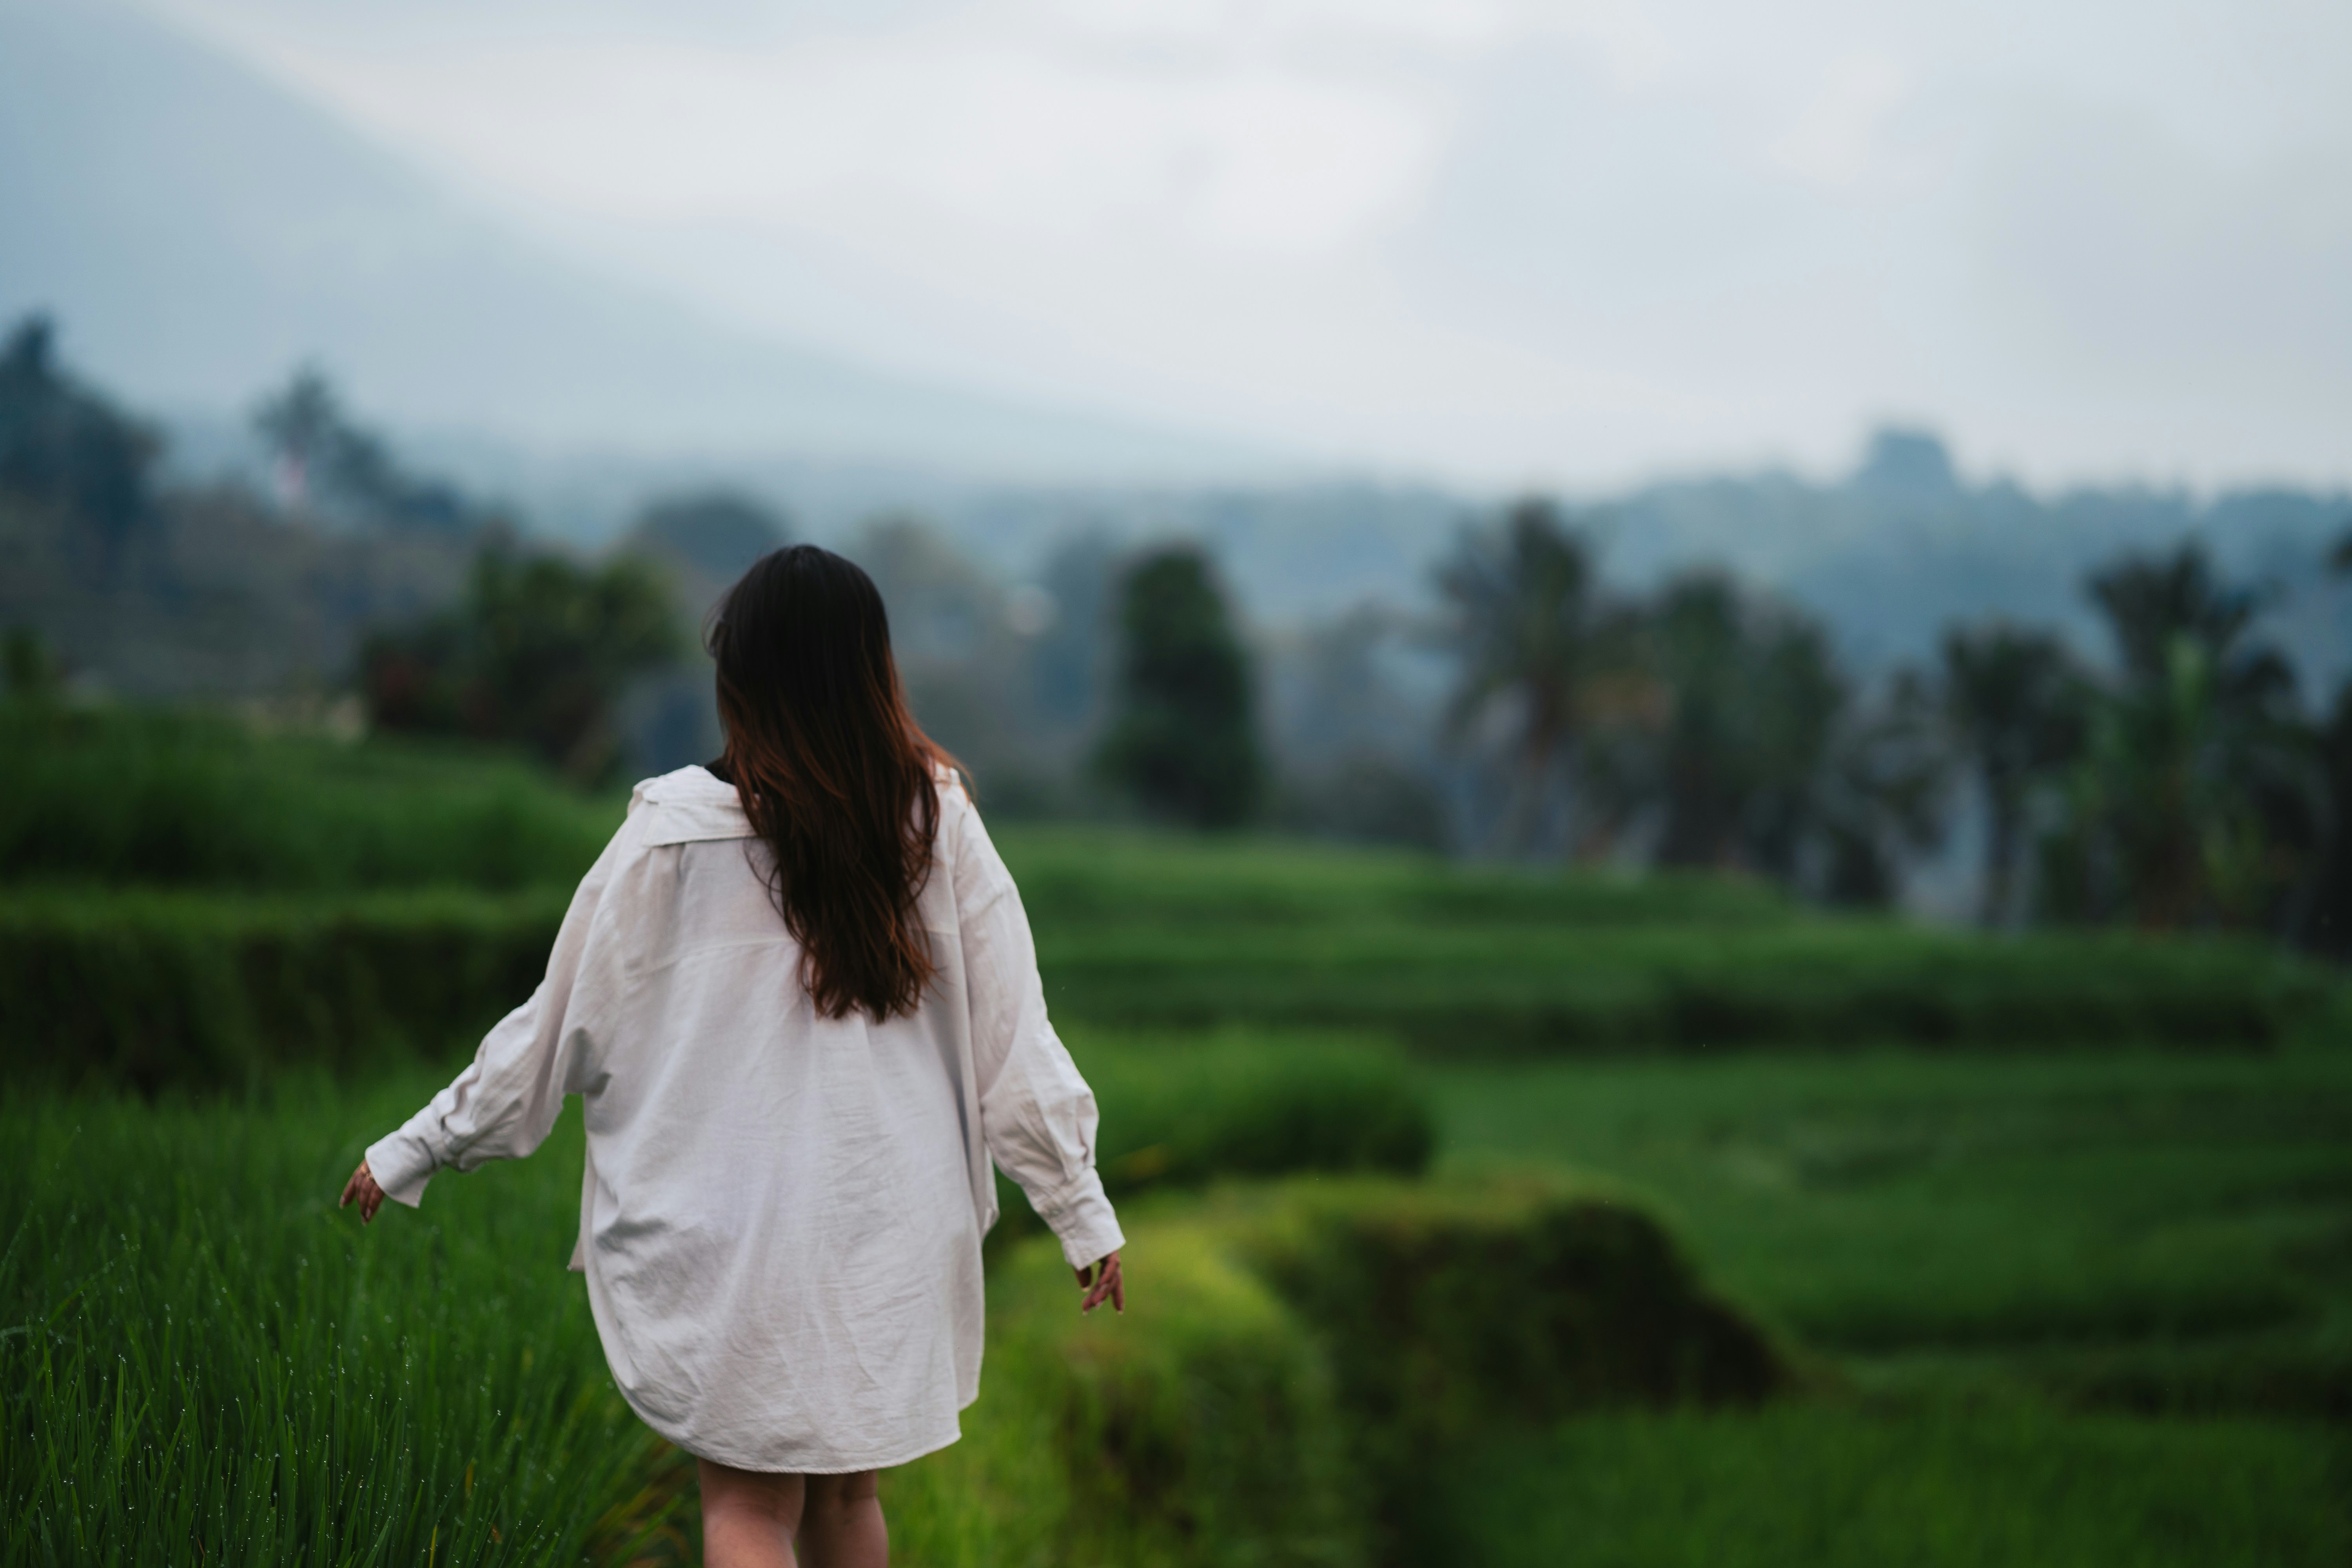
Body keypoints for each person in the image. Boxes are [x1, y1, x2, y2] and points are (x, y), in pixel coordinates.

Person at [339, 544, 1126, 1568]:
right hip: (888, 1219)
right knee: (848, 1498)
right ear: (874, 669)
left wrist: (419, 1145)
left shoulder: (674, 830)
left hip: (728, 1226)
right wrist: (1079, 1208)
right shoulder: (935, 821)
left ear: (739, 675)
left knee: (749, 1509)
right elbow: (1016, 1038)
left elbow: (557, 1023)